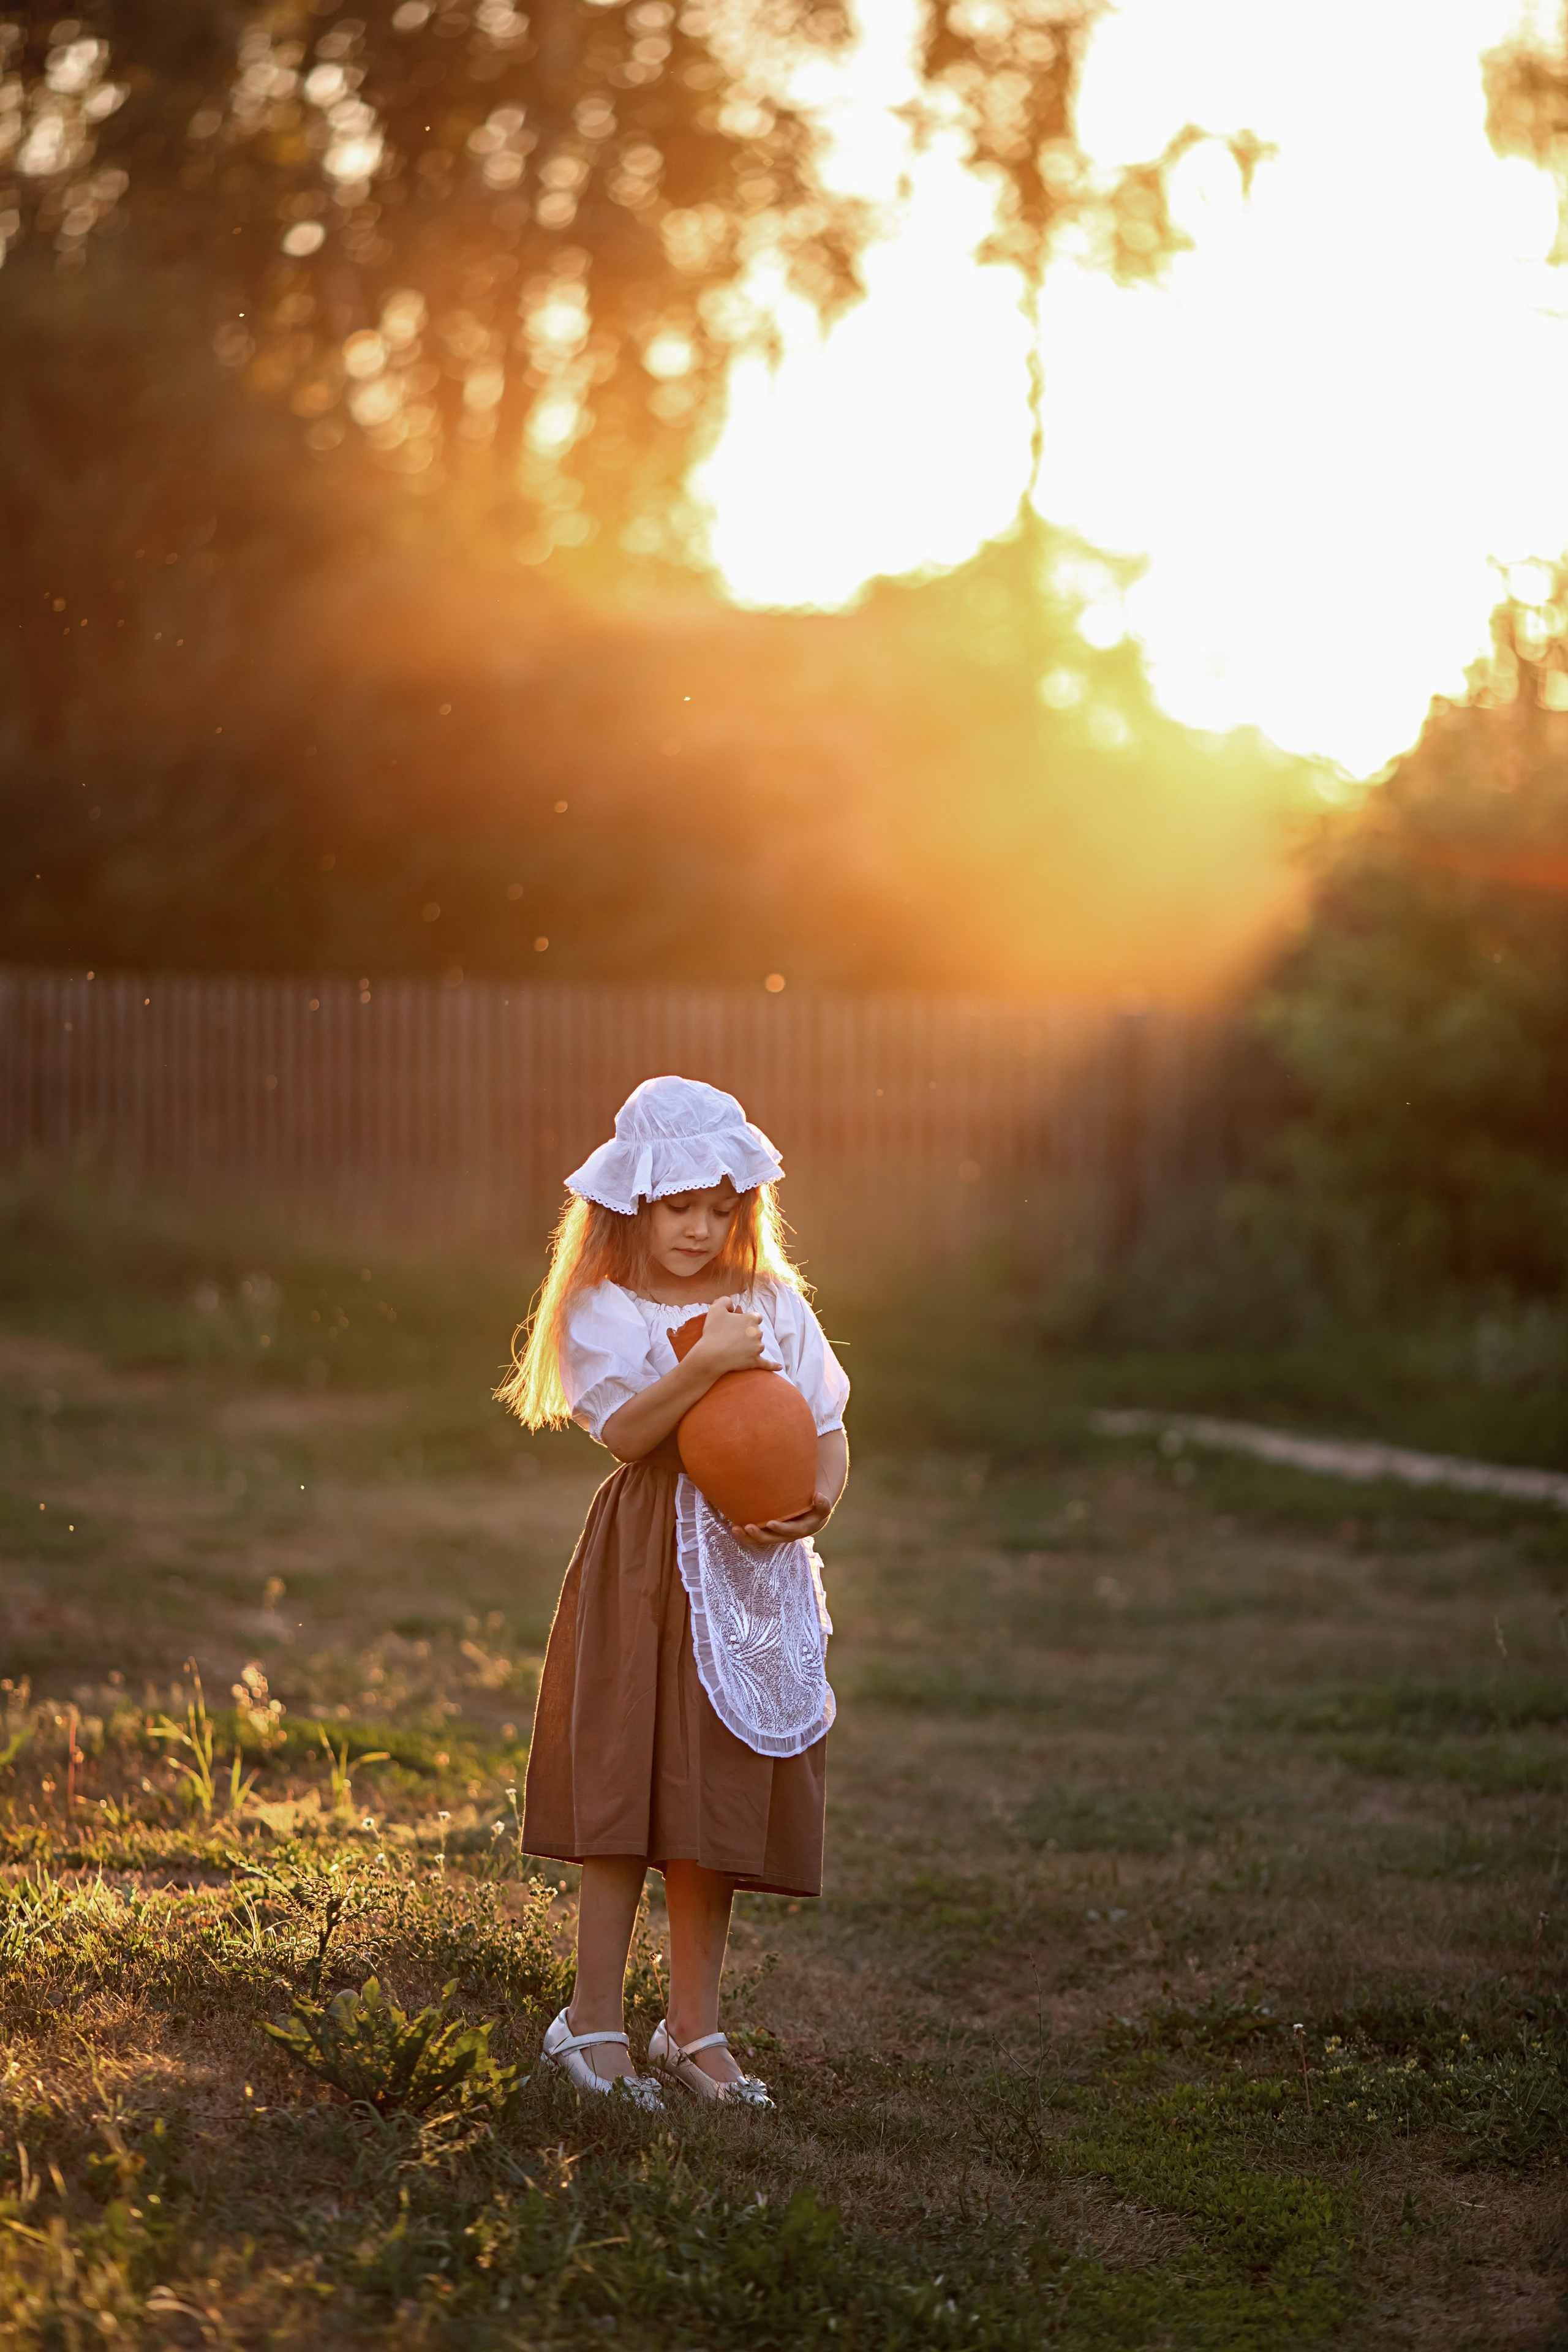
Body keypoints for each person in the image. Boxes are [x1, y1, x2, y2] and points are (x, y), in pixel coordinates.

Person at [497, 1075, 850, 2110]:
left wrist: (816, 1502)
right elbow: (627, 1432)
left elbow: (828, 1425)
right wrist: (707, 1363)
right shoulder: (604, 1307)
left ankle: (693, 2030)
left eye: (719, 1208)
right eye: (677, 1207)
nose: (700, 1229)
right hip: (648, 1562)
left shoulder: (773, 1302)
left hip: (750, 1569)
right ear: (632, 1205)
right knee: (628, 1782)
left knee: (713, 1800)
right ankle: (591, 2020)